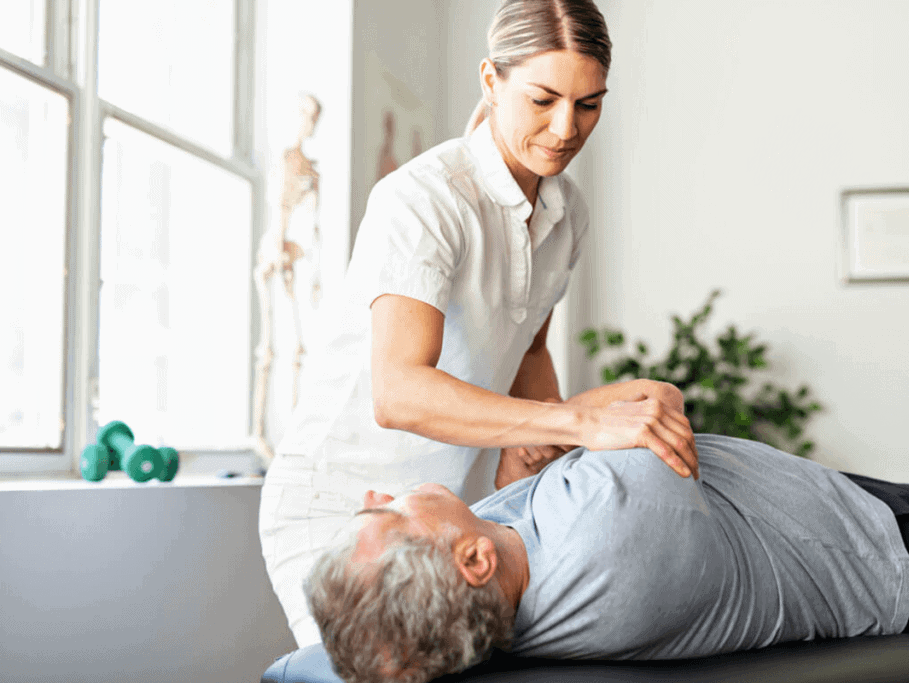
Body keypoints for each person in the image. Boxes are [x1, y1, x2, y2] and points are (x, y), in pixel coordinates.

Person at [259, 0, 700, 648]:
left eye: (588, 105)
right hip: (345, 504)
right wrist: (580, 420)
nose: (564, 128)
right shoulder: (422, 200)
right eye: (542, 99)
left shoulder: (566, 211)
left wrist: (551, 468)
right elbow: (399, 390)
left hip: (447, 508)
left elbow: (529, 355)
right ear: (491, 81)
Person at [305, 421, 909, 683]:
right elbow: (654, 404)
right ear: (471, 565)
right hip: (899, 549)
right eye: (392, 516)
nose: (377, 497)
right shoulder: (612, 527)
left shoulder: (481, 601)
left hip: (828, 512)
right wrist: (546, 419)